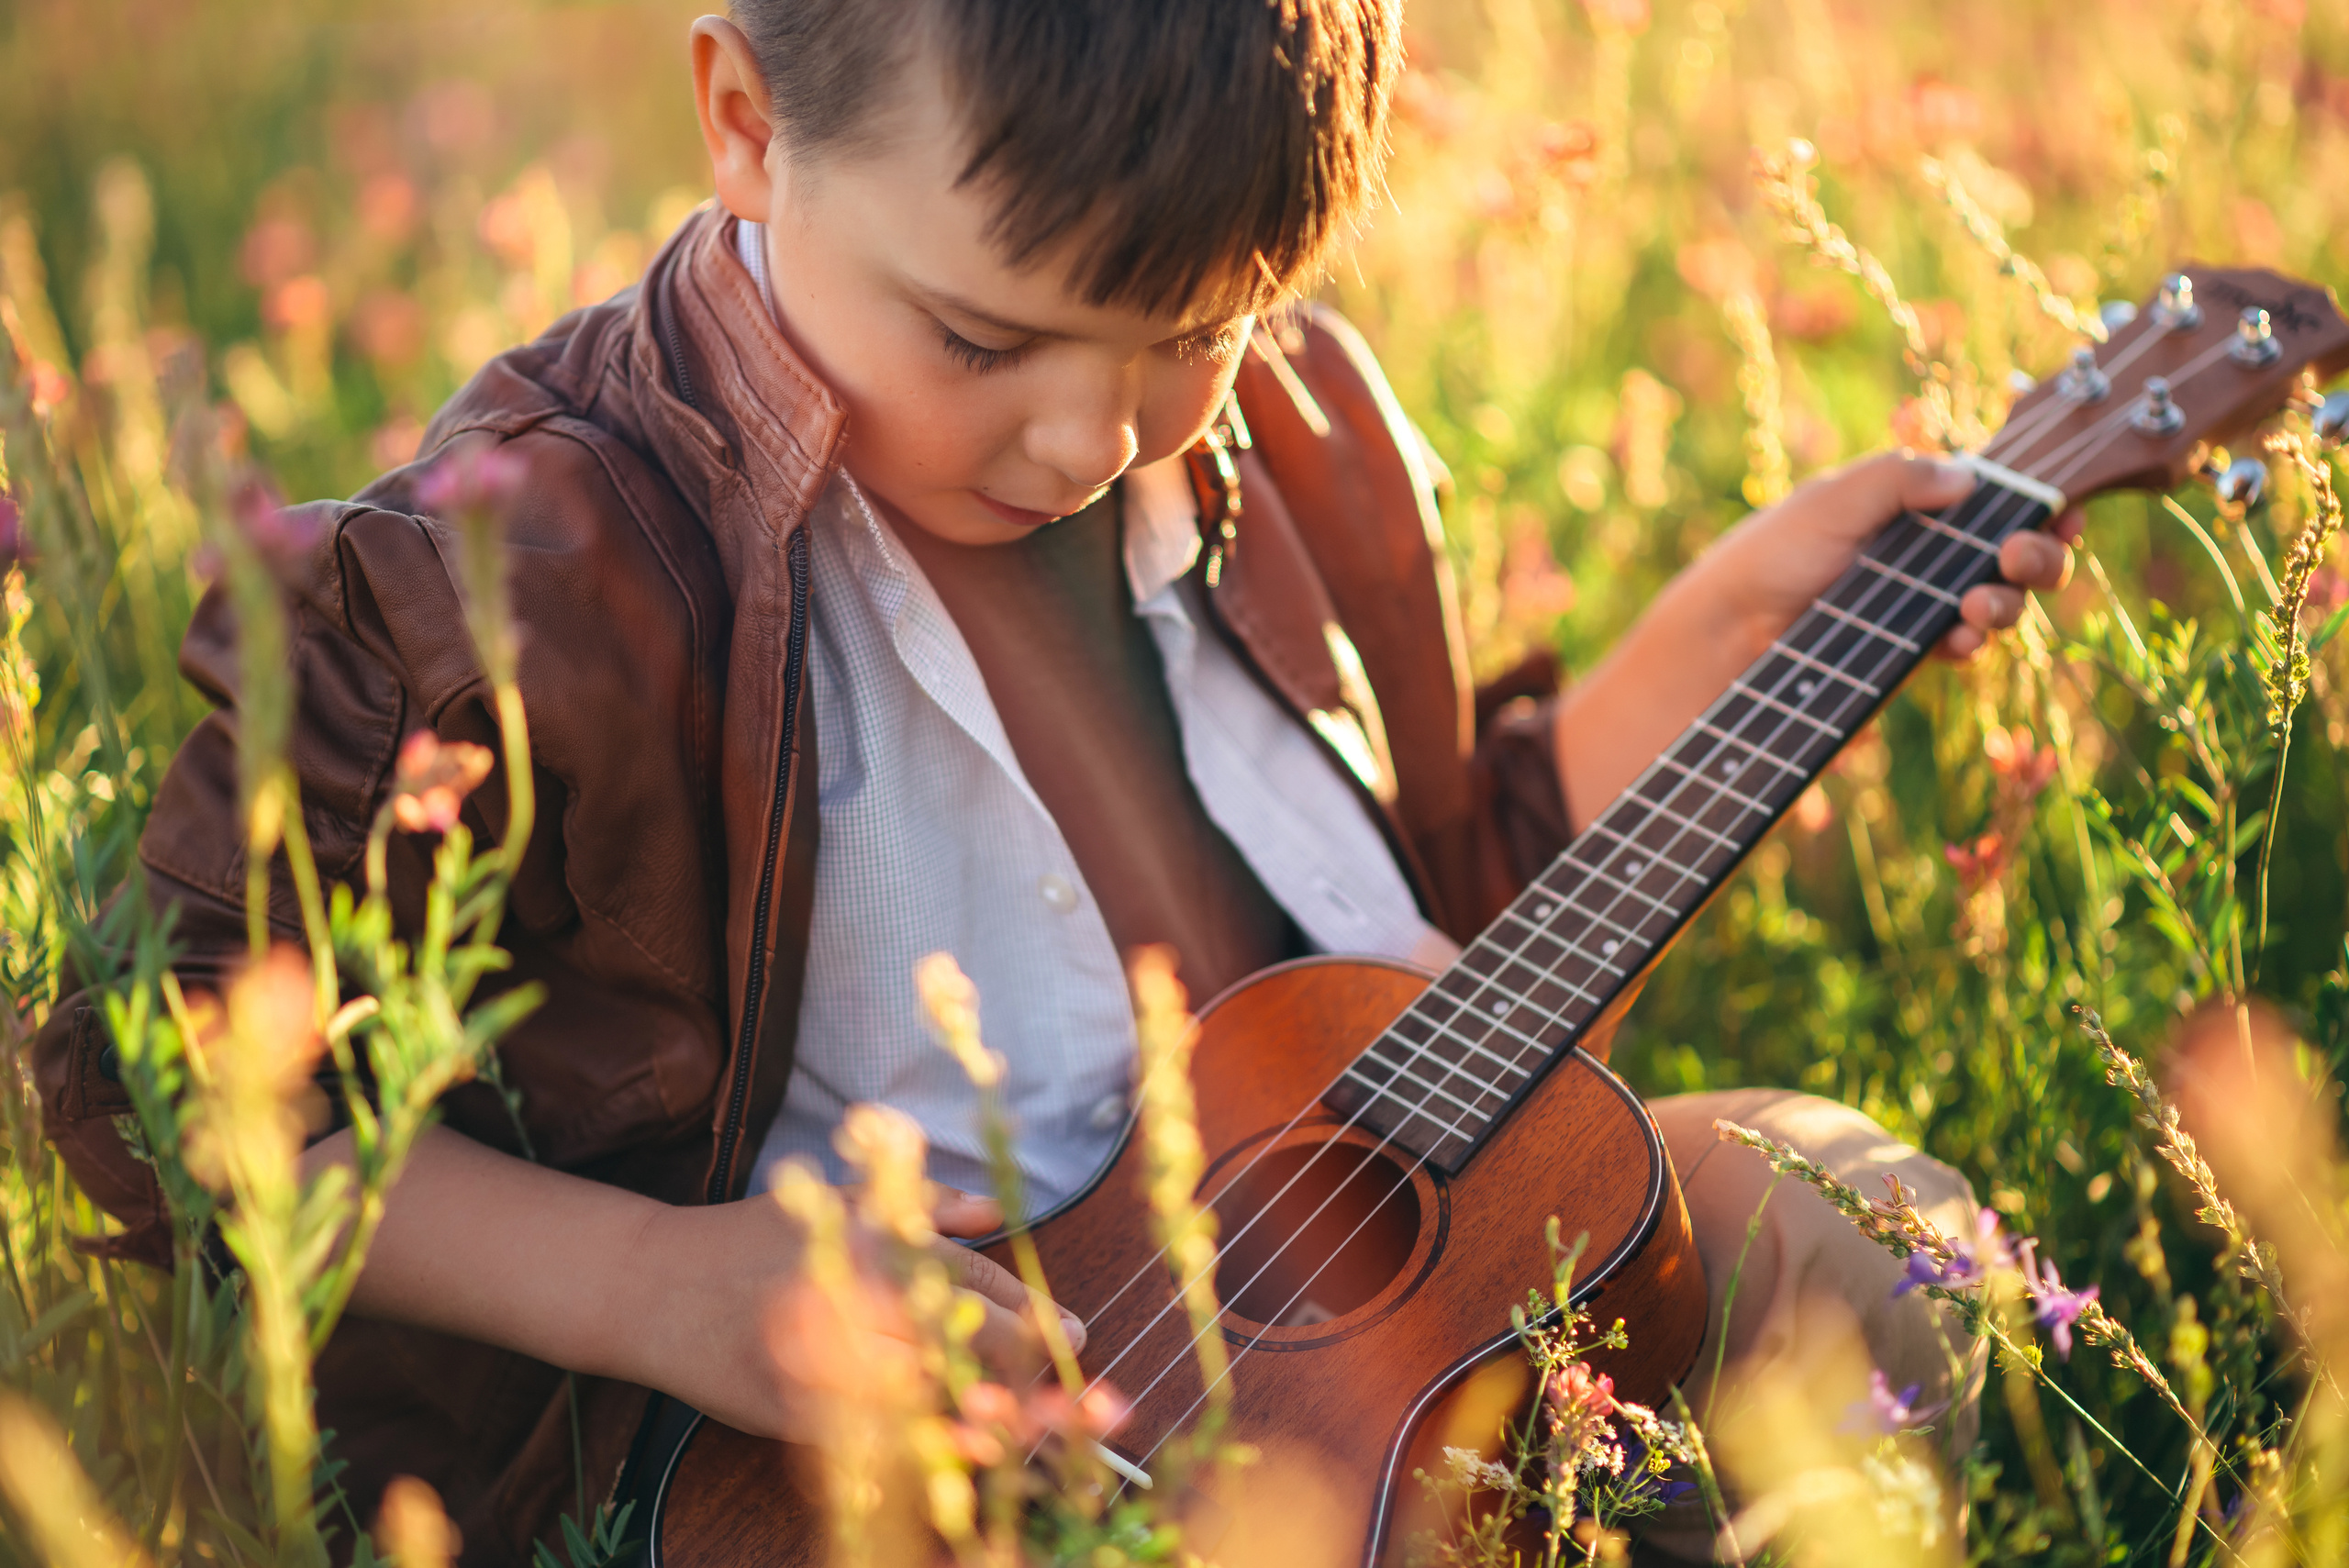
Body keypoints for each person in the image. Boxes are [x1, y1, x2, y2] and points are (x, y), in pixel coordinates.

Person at [32, 1, 2075, 1561]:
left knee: (1863, 1223)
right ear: (745, 122)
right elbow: (175, 1086)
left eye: (1184, 332)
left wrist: (1732, 621)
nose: (1087, 438)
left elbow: (1448, 948)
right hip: (868, 1457)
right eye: (980, 339)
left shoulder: (1289, 437)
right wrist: (659, 1289)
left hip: (1340, 1353)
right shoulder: (521, 583)